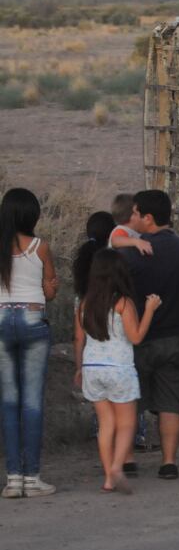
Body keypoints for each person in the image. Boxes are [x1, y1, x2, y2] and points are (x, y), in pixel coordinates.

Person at [120, 189, 179, 479]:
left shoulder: (131, 252)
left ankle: (127, 459)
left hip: (138, 336)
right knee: (171, 401)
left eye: (136, 213)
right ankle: (168, 462)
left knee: (130, 400)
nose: (132, 218)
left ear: (148, 218)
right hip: (178, 334)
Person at [75, 249, 161, 493]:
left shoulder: (85, 303)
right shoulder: (123, 303)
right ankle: (117, 467)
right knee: (126, 423)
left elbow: (78, 339)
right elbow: (135, 337)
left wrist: (78, 367)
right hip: (119, 369)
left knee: (106, 424)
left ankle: (108, 478)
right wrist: (150, 310)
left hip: (92, 369)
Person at [0, 188, 58, 499]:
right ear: (31, 215)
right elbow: (49, 292)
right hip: (33, 318)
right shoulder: (40, 247)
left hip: (0, 320)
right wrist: (52, 284)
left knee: (8, 402)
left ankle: (13, 479)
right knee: (32, 401)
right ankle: (32, 477)